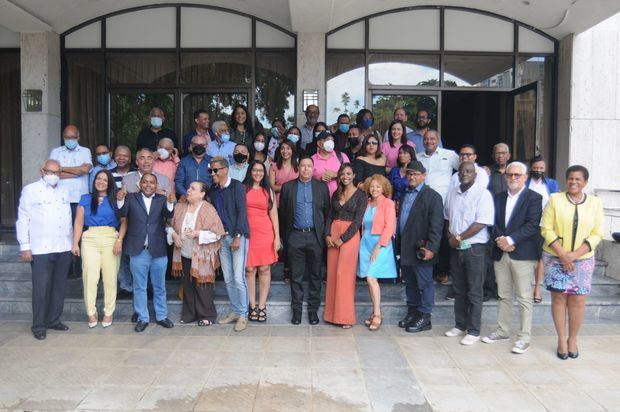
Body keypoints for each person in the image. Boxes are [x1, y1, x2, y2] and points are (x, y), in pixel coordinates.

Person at [541, 165, 603, 360]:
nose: (574, 182)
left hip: (582, 259)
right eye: (570, 178)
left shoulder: (595, 203)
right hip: (555, 256)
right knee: (558, 298)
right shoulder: (555, 199)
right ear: (566, 180)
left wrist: (574, 255)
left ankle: (573, 339)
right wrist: (563, 255)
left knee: (578, 300)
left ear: (585, 182)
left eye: (578, 179)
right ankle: (561, 338)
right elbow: (546, 228)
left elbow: (597, 233)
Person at [483, 162, 543, 354]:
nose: (513, 178)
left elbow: (532, 225)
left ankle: (524, 337)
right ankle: (503, 330)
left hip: (523, 254)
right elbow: (492, 222)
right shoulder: (498, 197)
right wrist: (501, 240)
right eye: (510, 175)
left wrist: (510, 239)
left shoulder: (534, 198)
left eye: (518, 175)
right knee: (504, 295)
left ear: (525, 177)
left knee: (524, 297)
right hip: (501, 252)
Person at [16, 159, 73, 340]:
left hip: (62, 246)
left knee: (59, 286)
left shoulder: (64, 190)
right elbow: (23, 219)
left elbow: (68, 218)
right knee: (41, 288)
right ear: (42, 171)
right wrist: (25, 246)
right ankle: (39, 325)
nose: (53, 176)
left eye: (57, 172)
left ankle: (54, 320)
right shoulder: (30, 190)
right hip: (40, 248)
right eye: (50, 172)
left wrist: (71, 243)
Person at [117, 173, 176, 332]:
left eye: (152, 183)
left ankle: (162, 316)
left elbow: (169, 214)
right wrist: (120, 198)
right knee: (139, 287)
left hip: (158, 250)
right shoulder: (131, 198)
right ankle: (143, 318)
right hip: (138, 250)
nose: (149, 185)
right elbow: (122, 212)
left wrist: (170, 203)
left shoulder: (162, 199)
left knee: (159, 286)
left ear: (156, 185)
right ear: (140, 184)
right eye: (145, 182)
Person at [443, 162, 495, 345]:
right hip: (456, 247)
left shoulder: (483, 194)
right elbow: (448, 218)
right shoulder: (453, 192)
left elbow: (481, 222)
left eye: (469, 171)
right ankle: (460, 325)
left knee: (474, 290)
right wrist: (451, 237)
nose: (464, 174)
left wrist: (458, 237)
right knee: (458, 288)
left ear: (475, 175)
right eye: (462, 171)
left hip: (475, 249)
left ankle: (473, 330)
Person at [72, 170, 125, 328]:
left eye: (104, 180)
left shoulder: (116, 199)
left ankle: (108, 313)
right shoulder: (85, 199)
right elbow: (78, 223)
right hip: (90, 238)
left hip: (111, 237)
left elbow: (124, 221)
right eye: (98, 179)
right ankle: (91, 312)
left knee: (110, 278)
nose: (101, 182)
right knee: (90, 277)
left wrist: (119, 240)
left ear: (110, 183)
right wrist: (75, 243)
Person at [280, 157, 330, 325]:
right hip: (295, 236)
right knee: (297, 276)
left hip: (315, 236)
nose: (306, 169)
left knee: (316, 275)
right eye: (303, 166)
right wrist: (285, 238)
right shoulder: (288, 187)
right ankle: (297, 311)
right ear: (298, 168)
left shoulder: (321, 188)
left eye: (309, 166)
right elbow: (283, 215)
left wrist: (324, 234)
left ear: (313, 168)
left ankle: (313, 311)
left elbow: (327, 212)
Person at [168, 181, 225, 326]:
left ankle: (207, 315)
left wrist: (198, 233)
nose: (188, 190)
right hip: (183, 252)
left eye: (193, 188)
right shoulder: (180, 207)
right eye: (188, 187)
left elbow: (218, 233)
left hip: (202, 254)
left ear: (202, 194)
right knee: (187, 284)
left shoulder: (208, 209)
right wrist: (174, 236)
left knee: (203, 285)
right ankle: (189, 314)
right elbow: (168, 225)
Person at [396, 161, 444, 333]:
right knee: (410, 282)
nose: (412, 177)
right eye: (409, 174)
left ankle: (425, 316)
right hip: (406, 246)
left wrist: (431, 247)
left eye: (416, 174)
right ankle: (414, 311)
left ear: (424, 176)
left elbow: (437, 226)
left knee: (424, 283)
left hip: (423, 248)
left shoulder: (432, 196)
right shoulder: (405, 194)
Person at [208, 156, 250, 332]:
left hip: (237, 236)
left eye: (215, 170)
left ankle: (243, 314)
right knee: (228, 278)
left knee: (239, 278)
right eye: (210, 170)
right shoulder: (213, 190)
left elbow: (242, 212)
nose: (212, 173)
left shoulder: (237, 186)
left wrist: (238, 236)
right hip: (221, 238)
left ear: (225, 170)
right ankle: (235, 310)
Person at [324, 163, 367, 328]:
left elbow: (358, 221)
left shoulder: (361, 195)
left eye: (349, 174)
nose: (345, 177)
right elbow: (329, 215)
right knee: (333, 273)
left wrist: (343, 238)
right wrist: (327, 234)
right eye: (342, 174)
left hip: (349, 235)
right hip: (334, 232)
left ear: (354, 175)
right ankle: (331, 315)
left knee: (345, 275)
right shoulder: (336, 192)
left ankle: (345, 317)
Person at [50, 125, 93, 279]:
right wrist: (76, 172)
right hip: (60, 199)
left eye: (72, 137)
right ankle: (66, 268)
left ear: (78, 137)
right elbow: (53, 173)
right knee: (63, 232)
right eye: (67, 137)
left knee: (80, 233)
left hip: (80, 199)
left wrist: (62, 169)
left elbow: (85, 170)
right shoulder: (56, 152)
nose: (70, 140)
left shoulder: (85, 151)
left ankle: (80, 267)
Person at [358, 174, 398, 331]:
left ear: (384, 188)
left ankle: (377, 314)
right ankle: (374, 311)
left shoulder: (388, 203)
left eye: (378, 186)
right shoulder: (367, 203)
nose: (375, 189)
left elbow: (389, 227)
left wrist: (378, 247)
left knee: (371, 278)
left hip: (381, 244)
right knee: (369, 279)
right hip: (366, 242)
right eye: (372, 186)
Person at [243, 161, 280, 323]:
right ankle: (252, 306)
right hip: (247, 234)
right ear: (250, 172)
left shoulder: (268, 191)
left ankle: (262, 306)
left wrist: (277, 237)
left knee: (264, 269)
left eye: (260, 170)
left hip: (265, 234)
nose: (257, 173)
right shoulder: (243, 189)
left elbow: (274, 216)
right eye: (254, 170)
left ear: (264, 173)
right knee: (249, 269)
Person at [526, 156, 560, 303]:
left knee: (539, 257)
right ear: (531, 168)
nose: (538, 171)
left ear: (544, 169)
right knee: (525, 256)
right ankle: (524, 287)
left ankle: (537, 288)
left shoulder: (551, 183)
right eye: (535, 168)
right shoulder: (525, 181)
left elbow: (556, 203)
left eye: (541, 168)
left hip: (542, 225)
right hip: (525, 224)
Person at [110, 146, 135, 299]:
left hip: (133, 218)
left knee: (133, 253)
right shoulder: (108, 174)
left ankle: (138, 285)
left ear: (130, 158)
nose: (121, 158)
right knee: (119, 253)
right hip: (114, 217)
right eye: (118, 155)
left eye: (125, 155)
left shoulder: (136, 174)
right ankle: (125, 286)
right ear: (114, 157)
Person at [416, 130, 459, 203]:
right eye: (426, 139)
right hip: (422, 198)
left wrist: (481, 168)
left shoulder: (449, 154)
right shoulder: (417, 157)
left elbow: (464, 168)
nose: (429, 141)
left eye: (432, 139)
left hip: (443, 199)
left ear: (438, 140)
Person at [311, 131, 349, 197]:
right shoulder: (311, 160)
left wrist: (337, 174)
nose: (330, 142)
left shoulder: (341, 156)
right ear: (319, 143)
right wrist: (319, 179)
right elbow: (306, 181)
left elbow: (351, 174)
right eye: (328, 140)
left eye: (332, 140)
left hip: (341, 199)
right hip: (319, 199)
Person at [175, 134, 212, 200]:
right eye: (196, 144)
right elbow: (179, 182)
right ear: (191, 146)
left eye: (202, 145)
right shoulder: (184, 161)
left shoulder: (212, 161)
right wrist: (187, 195)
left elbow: (216, 181)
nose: (199, 147)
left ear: (206, 146)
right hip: (187, 198)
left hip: (208, 199)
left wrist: (208, 196)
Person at [269, 139, 299, 206]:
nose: (285, 151)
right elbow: (272, 187)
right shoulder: (274, 166)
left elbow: (300, 186)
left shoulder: (298, 167)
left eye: (288, 148)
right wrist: (290, 187)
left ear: (292, 151)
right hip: (278, 203)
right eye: (282, 148)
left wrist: (280, 187)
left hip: (295, 203)